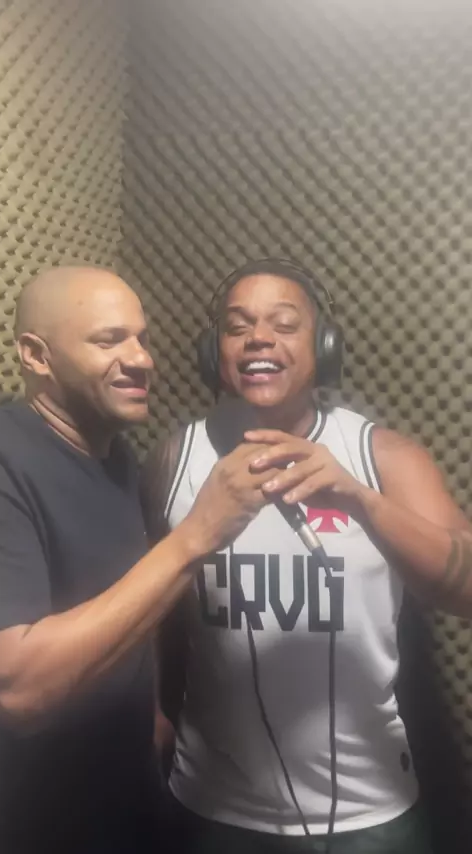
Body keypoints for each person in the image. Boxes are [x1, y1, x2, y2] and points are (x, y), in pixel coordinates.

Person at [142, 258, 472, 854]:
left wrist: (360, 499)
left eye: (284, 323)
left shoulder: (383, 456)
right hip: (209, 807)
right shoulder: (173, 460)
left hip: (368, 814)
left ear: (324, 347)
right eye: (237, 326)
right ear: (214, 353)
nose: (258, 338)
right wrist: (155, 719)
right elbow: (156, 611)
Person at [0, 265, 277, 854]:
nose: (142, 359)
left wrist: (150, 712)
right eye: (109, 340)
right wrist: (197, 534)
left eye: (142, 339)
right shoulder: (2, 462)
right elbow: (18, 689)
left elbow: (120, 592)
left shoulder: (115, 457)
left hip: (124, 796)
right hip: (38, 822)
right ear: (37, 356)